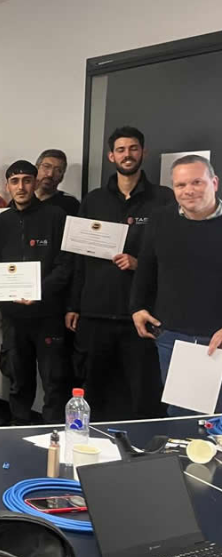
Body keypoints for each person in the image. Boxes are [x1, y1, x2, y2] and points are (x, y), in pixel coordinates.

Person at [67, 127, 173, 421]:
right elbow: (79, 258)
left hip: (141, 315)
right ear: (111, 156)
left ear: (143, 152)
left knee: (144, 393)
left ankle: (144, 446)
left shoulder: (163, 199)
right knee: (95, 391)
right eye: (121, 149)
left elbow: (174, 254)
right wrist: (73, 305)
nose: (128, 155)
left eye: (133, 148)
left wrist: (140, 264)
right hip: (95, 312)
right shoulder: (93, 200)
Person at [0, 160, 73, 424]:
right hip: (13, 317)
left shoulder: (56, 216)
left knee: (54, 381)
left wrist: (40, 290)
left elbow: (66, 264)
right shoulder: (2, 221)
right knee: (18, 380)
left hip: (48, 314)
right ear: (8, 186)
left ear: (35, 183)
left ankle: (54, 433)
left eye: (26, 180)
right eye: (15, 181)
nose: (21, 187)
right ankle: (19, 429)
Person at [132, 154, 222, 416]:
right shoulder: (161, 219)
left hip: (216, 338)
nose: (188, 190)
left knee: (217, 419)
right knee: (181, 416)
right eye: (180, 185)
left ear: (214, 182)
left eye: (197, 182)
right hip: (173, 336)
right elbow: (146, 267)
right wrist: (137, 306)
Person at [34, 149, 79, 216]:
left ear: (62, 176)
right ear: (36, 168)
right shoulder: (22, 197)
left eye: (58, 170)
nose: (50, 174)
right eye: (46, 167)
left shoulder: (70, 204)